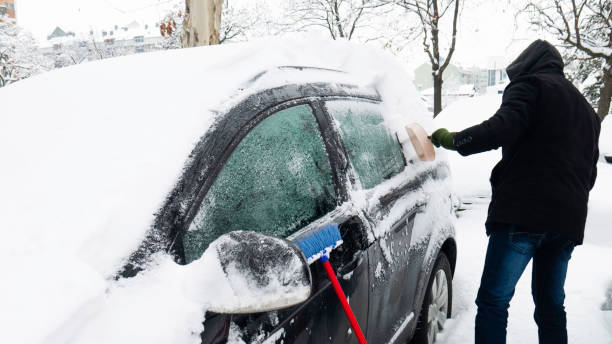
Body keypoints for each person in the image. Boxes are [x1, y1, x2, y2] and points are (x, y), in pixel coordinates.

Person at [430, 40, 601, 344]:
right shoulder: (586, 110)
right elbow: (590, 174)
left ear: (526, 64)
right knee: (550, 305)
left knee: (494, 301)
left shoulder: (531, 86)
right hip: (567, 223)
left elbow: (502, 127)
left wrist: (454, 140)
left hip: (523, 214)